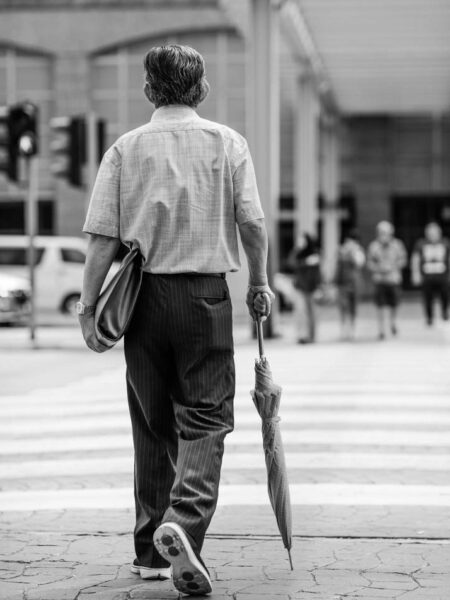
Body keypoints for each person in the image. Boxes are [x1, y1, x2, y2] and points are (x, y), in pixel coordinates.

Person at [77, 44, 274, 597]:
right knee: (207, 417)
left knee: (152, 423)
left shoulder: (124, 149)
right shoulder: (226, 143)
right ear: (202, 88)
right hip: (205, 299)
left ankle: (149, 552)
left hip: (141, 301)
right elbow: (253, 225)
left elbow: (101, 243)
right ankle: (183, 525)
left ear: (148, 90)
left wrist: (88, 309)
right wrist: (258, 283)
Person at [367, 221, 407, 340]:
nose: (383, 235)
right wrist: (378, 268)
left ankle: (392, 323)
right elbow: (369, 262)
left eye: (386, 232)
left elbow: (403, 260)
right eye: (381, 232)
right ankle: (381, 329)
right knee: (380, 306)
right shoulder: (373, 246)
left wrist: (393, 267)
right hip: (380, 280)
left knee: (394, 304)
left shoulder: (397, 245)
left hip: (393, 279)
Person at [411, 222, 450, 325]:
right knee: (427, 298)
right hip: (427, 276)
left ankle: (445, 312)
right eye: (430, 233)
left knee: (445, 295)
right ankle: (429, 317)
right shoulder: (421, 243)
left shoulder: (445, 242)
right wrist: (415, 273)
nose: (432, 235)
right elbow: (415, 259)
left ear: (439, 233)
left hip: (442, 275)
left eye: (434, 233)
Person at [290, 233, 321, 344]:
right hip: (300, 287)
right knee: (300, 312)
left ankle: (312, 336)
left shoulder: (315, 254)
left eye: (302, 240)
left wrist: (318, 287)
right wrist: (303, 258)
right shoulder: (298, 254)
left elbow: (318, 273)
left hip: (311, 287)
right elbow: (291, 263)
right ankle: (302, 335)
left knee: (312, 313)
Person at [335, 230, 365, 340]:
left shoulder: (358, 251)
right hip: (342, 283)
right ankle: (344, 330)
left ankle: (352, 330)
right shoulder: (341, 251)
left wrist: (353, 252)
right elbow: (337, 267)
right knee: (343, 307)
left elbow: (359, 263)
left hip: (354, 282)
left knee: (353, 307)